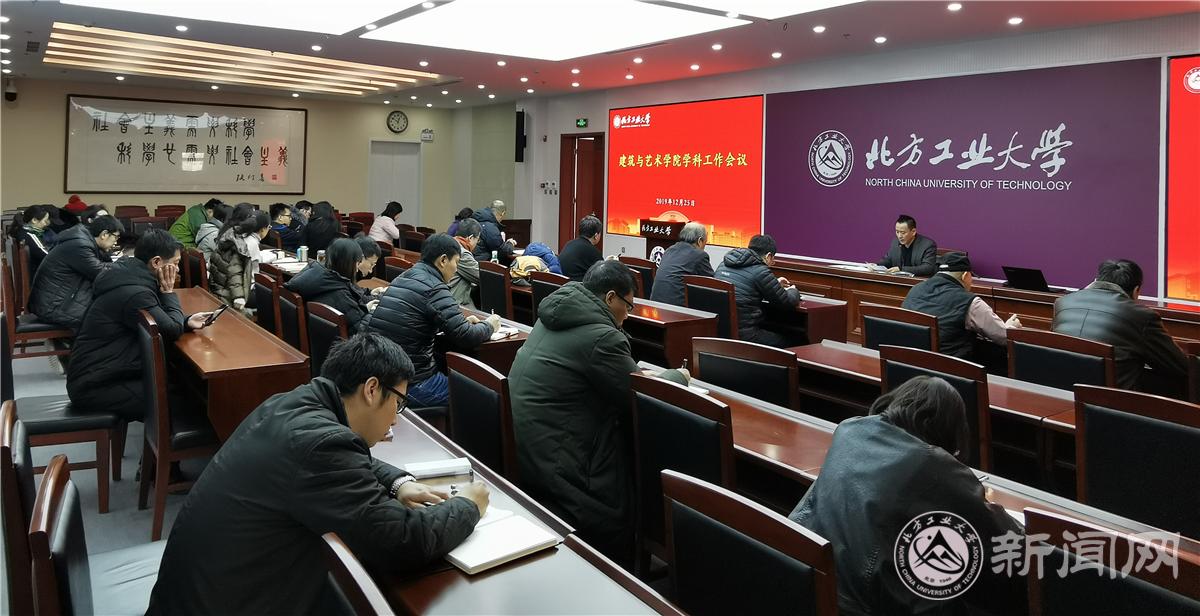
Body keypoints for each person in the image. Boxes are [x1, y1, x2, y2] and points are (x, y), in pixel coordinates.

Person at [145, 333, 488, 615]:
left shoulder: (292, 404)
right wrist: (468, 505)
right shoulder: (323, 445)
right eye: (398, 402)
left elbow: (340, 458)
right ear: (372, 389)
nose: (396, 418)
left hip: (200, 594)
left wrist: (399, 483)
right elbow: (400, 540)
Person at [790, 376, 1025, 615]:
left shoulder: (850, 429)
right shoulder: (932, 463)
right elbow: (996, 532)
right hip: (863, 604)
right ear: (947, 428)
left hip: (811, 579)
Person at [509, 260, 688, 564]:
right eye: (628, 307)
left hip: (524, 450)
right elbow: (641, 395)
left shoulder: (554, 315)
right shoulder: (602, 336)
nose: (627, 316)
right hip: (559, 466)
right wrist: (678, 377)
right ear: (610, 298)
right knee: (631, 474)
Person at [66, 229, 214, 422]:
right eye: (176, 263)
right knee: (193, 401)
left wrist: (186, 321)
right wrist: (168, 292)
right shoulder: (135, 293)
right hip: (95, 387)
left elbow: (160, 321)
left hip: (103, 374)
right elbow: (171, 330)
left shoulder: (129, 276)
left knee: (184, 383)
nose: (178, 270)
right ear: (156, 262)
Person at [366, 234, 500, 406]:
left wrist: (462, 322)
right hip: (411, 383)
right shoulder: (435, 287)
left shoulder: (404, 276)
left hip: (382, 375)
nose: (456, 269)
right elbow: (466, 336)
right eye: (456, 262)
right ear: (443, 260)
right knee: (482, 397)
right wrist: (489, 325)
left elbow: (416, 319)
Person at [1053, 259, 1187, 391]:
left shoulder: (1063, 302)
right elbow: (1181, 367)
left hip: (1061, 389)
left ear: (1096, 280)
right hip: (1111, 398)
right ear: (1136, 291)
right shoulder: (1141, 316)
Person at [902, 253, 1020, 366]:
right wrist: (1011, 327)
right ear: (965, 276)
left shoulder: (915, 290)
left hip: (912, 361)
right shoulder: (970, 302)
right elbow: (1003, 336)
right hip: (953, 367)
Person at [28, 215, 123, 330]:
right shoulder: (79, 245)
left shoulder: (81, 239)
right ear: (104, 234)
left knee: (115, 309)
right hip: (54, 307)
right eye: (116, 237)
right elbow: (102, 273)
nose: (116, 241)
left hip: (56, 300)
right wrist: (125, 265)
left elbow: (102, 266)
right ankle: (85, 342)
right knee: (114, 317)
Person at [715, 234, 802, 348]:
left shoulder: (723, 265)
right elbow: (786, 301)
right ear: (768, 256)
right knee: (798, 341)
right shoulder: (761, 271)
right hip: (746, 336)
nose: (772, 263)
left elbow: (746, 285)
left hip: (720, 332)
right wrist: (793, 290)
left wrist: (775, 283)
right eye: (773, 259)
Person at [285, 238, 376, 333]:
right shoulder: (340, 294)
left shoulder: (319, 276)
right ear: (348, 263)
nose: (357, 269)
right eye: (357, 263)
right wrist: (370, 311)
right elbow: (360, 329)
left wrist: (365, 305)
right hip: (338, 341)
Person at [210, 211, 274, 314]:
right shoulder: (251, 243)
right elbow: (237, 272)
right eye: (269, 227)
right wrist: (239, 297)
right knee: (275, 297)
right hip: (235, 292)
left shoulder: (233, 235)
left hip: (221, 287)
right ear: (263, 229)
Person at [649, 221, 713, 306]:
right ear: (700, 241)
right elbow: (712, 284)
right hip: (676, 308)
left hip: (654, 304)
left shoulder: (669, 250)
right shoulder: (699, 255)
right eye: (705, 243)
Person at [8, 205, 54, 274]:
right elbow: (46, 256)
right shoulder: (30, 235)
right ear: (34, 220)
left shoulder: (21, 230)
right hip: (38, 274)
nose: (46, 224)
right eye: (45, 220)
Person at [559, 215, 604, 281]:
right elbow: (603, 273)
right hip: (577, 285)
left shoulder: (569, 243)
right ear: (596, 236)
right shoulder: (593, 252)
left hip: (561, 283)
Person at [449, 218, 481, 307]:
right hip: (454, 302)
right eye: (477, 240)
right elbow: (481, 276)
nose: (477, 243)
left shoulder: (449, 243)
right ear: (470, 238)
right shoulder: (462, 253)